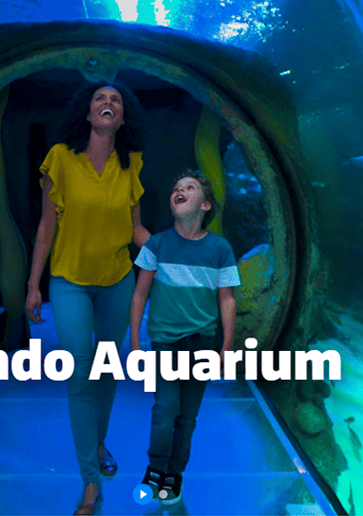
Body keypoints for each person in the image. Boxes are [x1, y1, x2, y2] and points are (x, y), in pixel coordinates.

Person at [26, 81, 151, 516]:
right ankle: (90, 485)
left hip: (117, 280)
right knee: (80, 376)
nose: (108, 102)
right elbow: (46, 227)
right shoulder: (60, 158)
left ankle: (98, 442)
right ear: (86, 112)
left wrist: (174, 253)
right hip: (69, 281)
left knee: (107, 369)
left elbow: (136, 230)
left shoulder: (130, 162)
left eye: (116, 99)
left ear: (122, 116)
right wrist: (33, 285)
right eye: (100, 98)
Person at [129, 169, 237, 505]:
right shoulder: (157, 244)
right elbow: (139, 295)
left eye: (189, 188)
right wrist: (134, 342)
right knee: (164, 410)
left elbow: (227, 298)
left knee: (187, 415)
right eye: (177, 188)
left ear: (204, 205)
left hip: (202, 343)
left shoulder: (220, 249)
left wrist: (226, 346)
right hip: (164, 342)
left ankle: (176, 473)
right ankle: (155, 467)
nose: (181, 191)